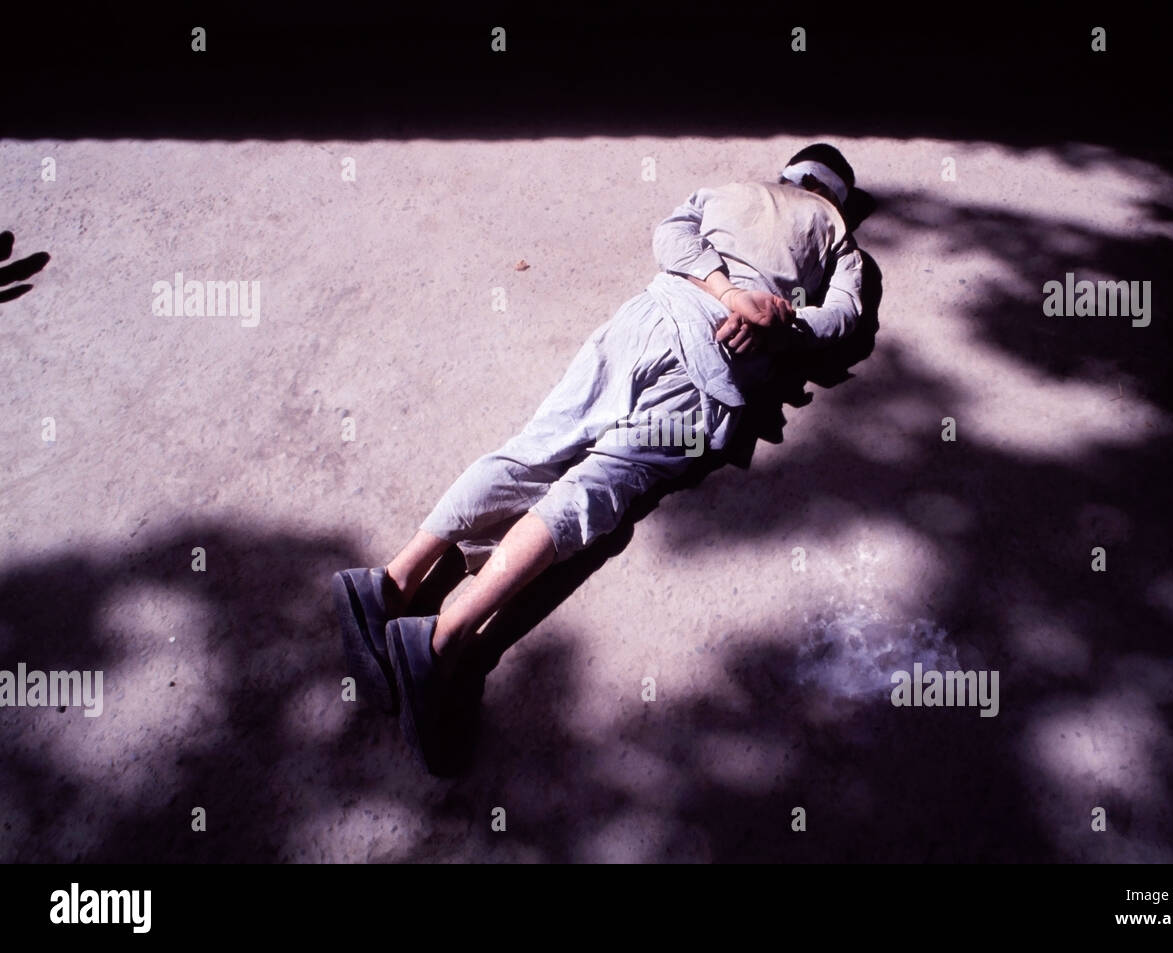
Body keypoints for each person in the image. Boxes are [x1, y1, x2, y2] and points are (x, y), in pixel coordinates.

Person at [332, 143, 867, 769]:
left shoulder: (734, 190)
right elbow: (844, 318)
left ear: (788, 175)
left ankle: (391, 581)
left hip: (644, 318)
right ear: (837, 199)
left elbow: (669, 237)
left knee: (533, 448)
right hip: (711, 370)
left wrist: (722, 287)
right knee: (594, 489)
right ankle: (441, 641)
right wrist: (776, 317)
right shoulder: (838, 236)